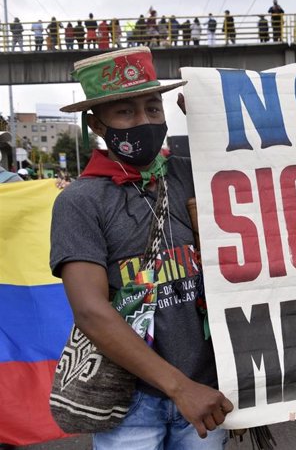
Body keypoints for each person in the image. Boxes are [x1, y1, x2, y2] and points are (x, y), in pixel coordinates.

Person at [51, 46, 232, 449]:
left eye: (154, 108)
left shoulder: (190, 173)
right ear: (96, 124)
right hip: (130, 405)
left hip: (207, 394)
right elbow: (90, 311)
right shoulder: (80, 201)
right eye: (125, 112)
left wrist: (213, 120)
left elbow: (268, 180)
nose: (145, 121)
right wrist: (179, 388)